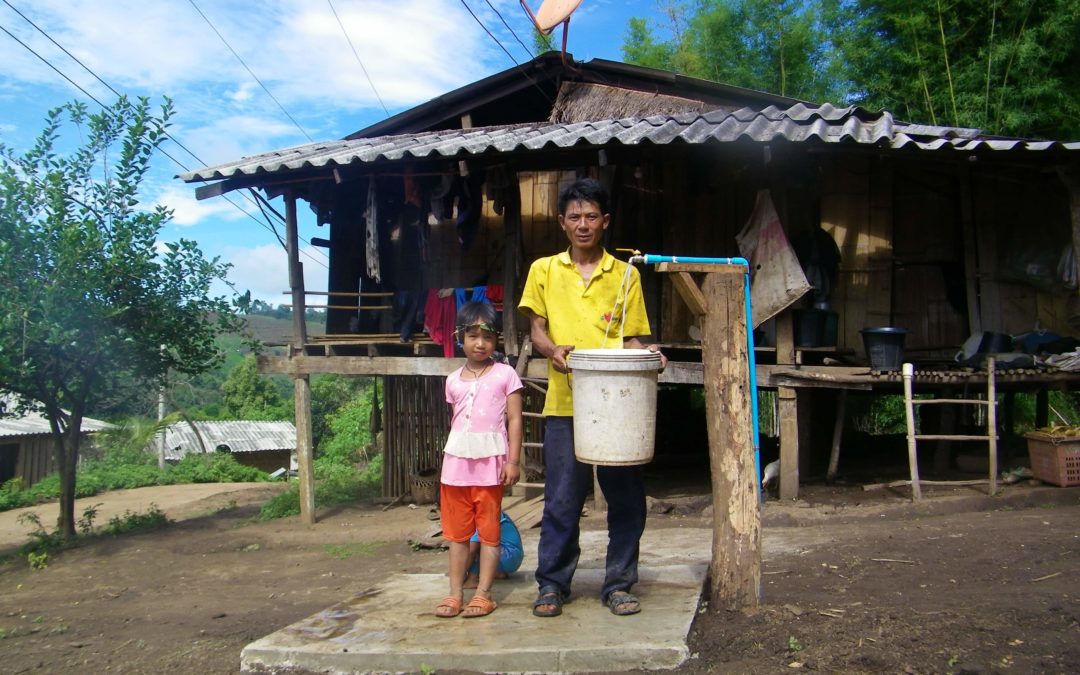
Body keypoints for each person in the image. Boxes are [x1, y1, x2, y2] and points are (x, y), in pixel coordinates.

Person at [519, 176, 666, 618]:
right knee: (562, 499)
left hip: (618, 406)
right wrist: (551, 350)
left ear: (605, 221)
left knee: (626, 499)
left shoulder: (626, 275)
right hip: (566, 403)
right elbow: (537, 329)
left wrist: (650, 355)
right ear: (562, 222)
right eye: (574, 216)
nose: (583, 224)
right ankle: (552, 585)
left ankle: (619, 583)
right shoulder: (544, 269)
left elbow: (633, 340)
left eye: (591, 216)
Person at [434, 302, 524, 618]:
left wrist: (513, 461)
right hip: (455, 468)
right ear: (460, 338)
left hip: (490, 468)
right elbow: (457, 422)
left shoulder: (506, 375)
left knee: (489, 534)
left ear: (496, 340)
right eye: (472, 336)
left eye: (487, 337)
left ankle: (484, 594)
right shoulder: (453, 380)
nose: (480, 343)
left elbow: (514, 419)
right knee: (457, 536)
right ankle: (455, 594)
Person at [462, 511, 525, 590]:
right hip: (513, 556)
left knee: (475, 547)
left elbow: (471, 551)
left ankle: (472, 580)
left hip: (507, 556)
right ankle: (498, 572)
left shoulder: (481, 516)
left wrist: (460, 575)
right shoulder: (491, 510)